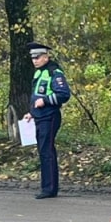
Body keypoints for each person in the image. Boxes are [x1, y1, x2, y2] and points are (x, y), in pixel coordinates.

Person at [22, 42, 71, 199]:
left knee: (47, 151)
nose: (34, 61)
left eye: (37, 57)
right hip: (40, 116)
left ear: (46, 56)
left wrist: (46, 101)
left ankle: (49, 189)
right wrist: (32, 112)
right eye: (32, 58)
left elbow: (64, 95)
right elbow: (37, 95)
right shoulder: (39, 72)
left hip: (50, 116)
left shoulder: (54, 73)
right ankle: (47, 187)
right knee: (44, 151)